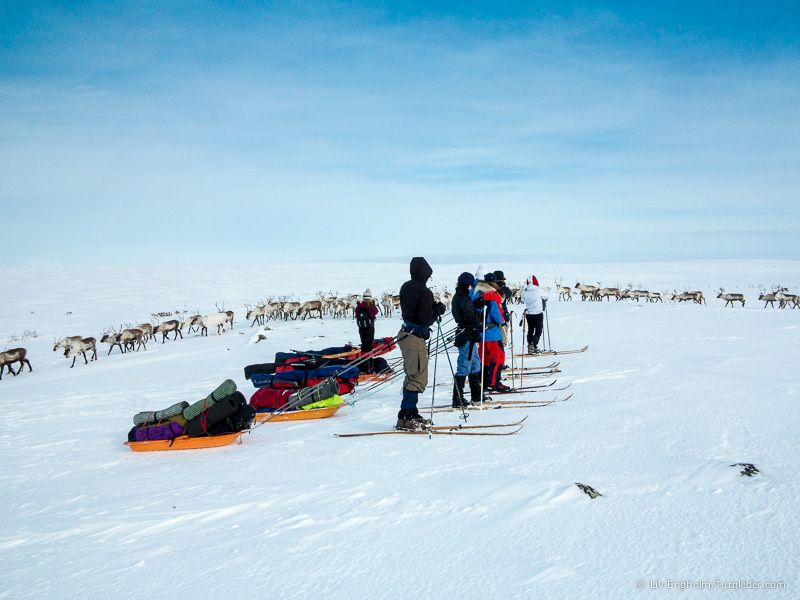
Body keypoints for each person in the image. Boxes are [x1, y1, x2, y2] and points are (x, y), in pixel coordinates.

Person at [396, 257, 446, 430]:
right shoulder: (424, 291)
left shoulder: (405, 286)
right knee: (418, 377)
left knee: (411, 375)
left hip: (405, 334)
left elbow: (413, 310)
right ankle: (406, 416)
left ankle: (410, 413)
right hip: (415, 336)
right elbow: (425, 320)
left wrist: (431, 308)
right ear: (425, 273)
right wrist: (437, 311)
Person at [451, 272, 483, 407]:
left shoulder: (458, 297)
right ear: (469, 285)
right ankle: (457, 399)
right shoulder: (463, 299)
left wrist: (474, 306)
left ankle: (476, 394)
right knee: (464, 366)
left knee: (475, 364)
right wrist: (480, 310)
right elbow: (471, 318)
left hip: (468, 334)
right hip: (466, 335)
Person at [472, 272, 509, 392]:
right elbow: (497, 316)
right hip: (492, 332)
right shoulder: (493, 295)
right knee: (498, 357)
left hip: (479, 332)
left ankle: (483, 381)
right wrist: (502, 320)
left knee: (484, 358)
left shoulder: (475, 293)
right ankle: (494, 382)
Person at [521, 275, 550, 354]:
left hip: (529, 313)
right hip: (538, 313)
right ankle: (533, 345)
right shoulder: (538, 290)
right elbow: (547, 296)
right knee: (538, 330)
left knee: (530, 330)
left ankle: (530, 345)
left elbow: (522, 299)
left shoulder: (525, 290)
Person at [493, 270, 513, 350]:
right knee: (502, 339)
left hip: (492, 317)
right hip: (503, 315)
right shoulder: (504, 289)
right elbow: (509, 294)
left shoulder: (491, 289)